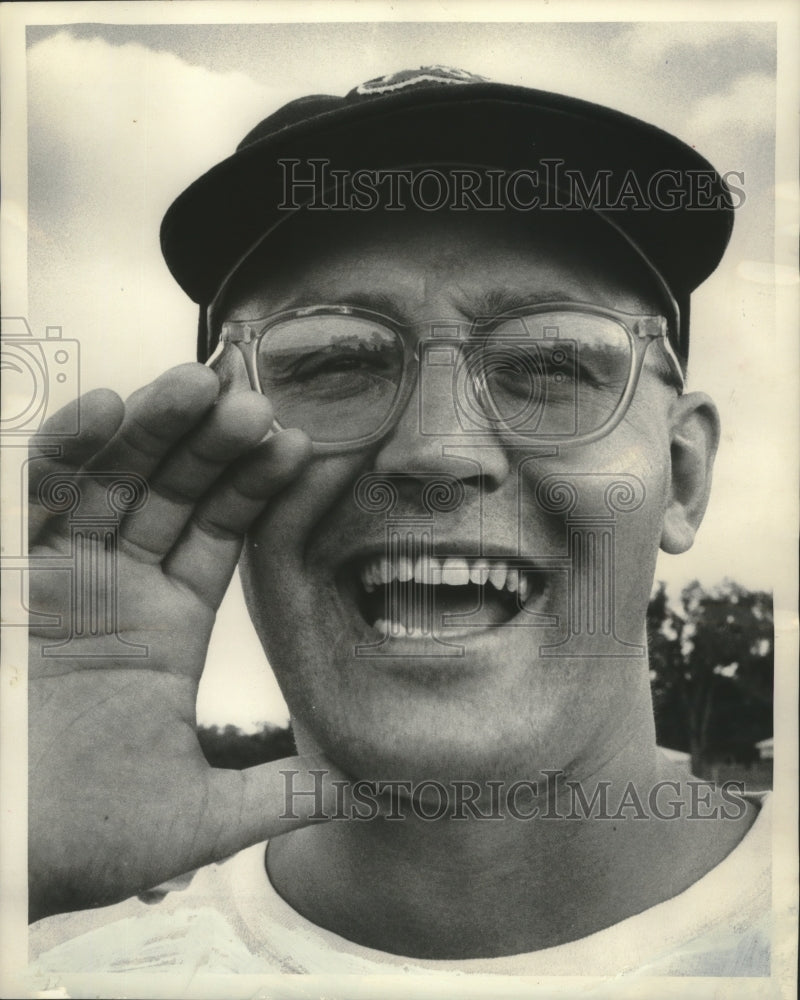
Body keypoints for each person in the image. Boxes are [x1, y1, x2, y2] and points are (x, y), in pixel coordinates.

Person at [27, 67, 770, 978]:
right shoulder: (63, 962)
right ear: (211, 449)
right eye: (337, 362)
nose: (439, 449)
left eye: (548, 366)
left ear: (683, 476)